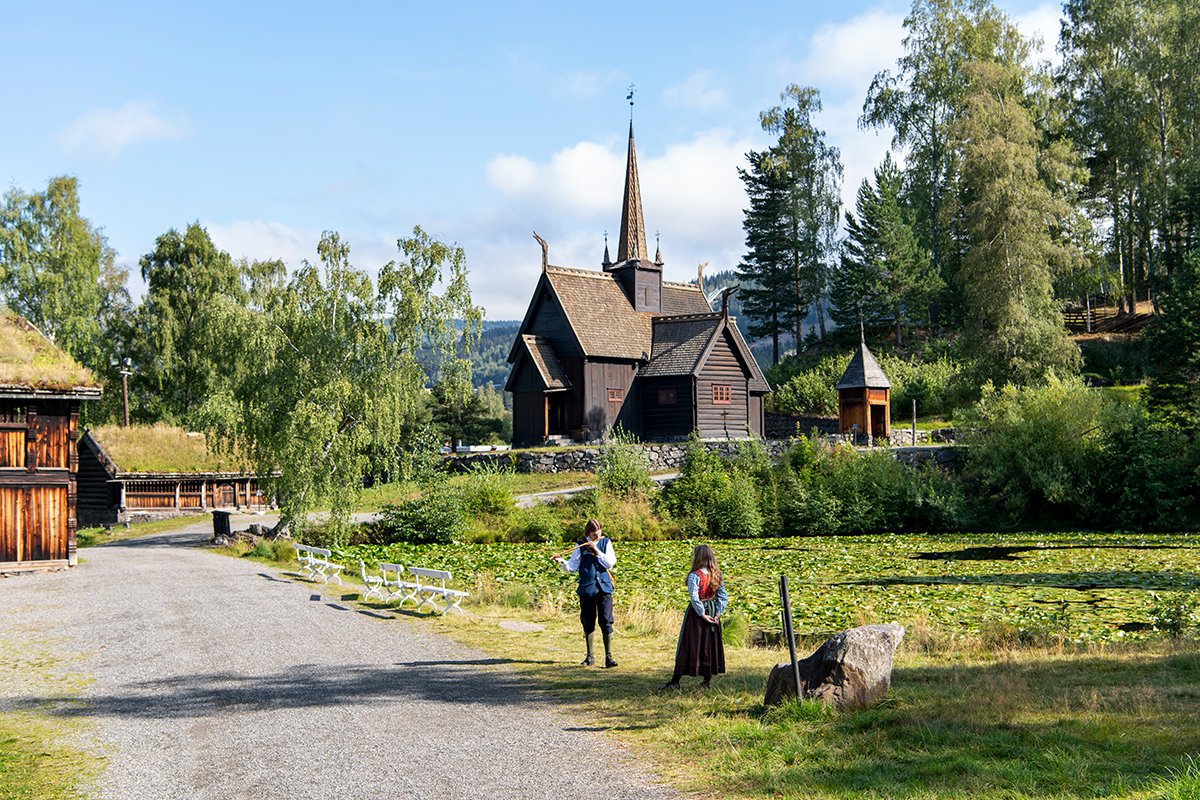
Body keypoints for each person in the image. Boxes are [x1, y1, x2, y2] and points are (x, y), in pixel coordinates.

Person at [660, 544, 726, 691]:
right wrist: (717, 614)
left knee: (688, 644)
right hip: (712, 611)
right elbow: (722, 596)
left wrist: (701, 614)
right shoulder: (717, 574)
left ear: (697, 557)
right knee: (708, 645)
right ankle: (706, 681)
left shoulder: (694, 576)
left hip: (697, 615)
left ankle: (675, 681)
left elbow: (695, 598)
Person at [553, 518, 618, 668]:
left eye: (599, 530)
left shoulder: (605, 543)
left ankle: (609, 657)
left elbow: (609, 563)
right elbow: (573, 567)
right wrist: (562, 561)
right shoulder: (580, 545)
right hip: (587, 589)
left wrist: (596, 550)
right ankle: (590, 657)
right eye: (594, 532)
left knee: (606, 621)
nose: (598, 534)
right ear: (588, 532)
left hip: (604, 588)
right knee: (588, 622)